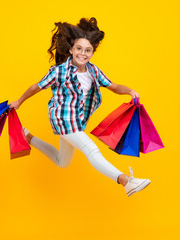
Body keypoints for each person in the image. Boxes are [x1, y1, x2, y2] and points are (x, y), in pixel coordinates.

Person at [8, 17, 150, 197]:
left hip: (77, 120)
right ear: (71, 50)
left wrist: (130, 91)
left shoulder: (93, 71)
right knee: (91, 150)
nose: (83, 53)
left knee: (62, 162)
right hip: (62, 117)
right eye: (79, 49)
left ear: (92, 53)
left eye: (88, 50)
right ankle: (126, 181)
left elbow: (113, 86)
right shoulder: (59, 71)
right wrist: (19, 102)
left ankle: (27, 136)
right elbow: (37, 86)